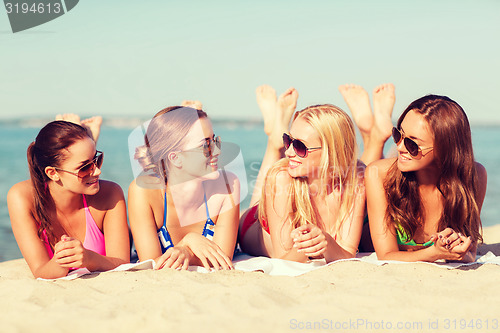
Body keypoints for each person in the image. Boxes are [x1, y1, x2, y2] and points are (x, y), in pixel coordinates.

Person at [238, 84, 394, 263]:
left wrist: (326, 242)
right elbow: (284, 259)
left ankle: (276, 137)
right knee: (275, 176)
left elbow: (348, 252)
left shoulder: (357, 176)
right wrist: (316, 246)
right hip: (254, 224)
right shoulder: (282, 178)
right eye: (288, 141)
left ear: (330, 151)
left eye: (299, 146)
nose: (289, 152)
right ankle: (274, 143)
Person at [365, 95, 488, 262]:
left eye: (412, 144)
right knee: (357, 173)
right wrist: (434, 253)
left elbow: (470, 253)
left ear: (445, 148)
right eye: (398, 135)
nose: (399, 146)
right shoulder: (379, 174)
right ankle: (372, 136)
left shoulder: (474, 176)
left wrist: (455, 248)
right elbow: (386, 255)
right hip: (364, 238)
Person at [7, 121, 130, 279]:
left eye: (97, 160)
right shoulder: (22, 198)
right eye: (85, 167)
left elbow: (122, 262)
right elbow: (40, 271)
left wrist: (88, 258)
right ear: (53, 173)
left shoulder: (110, 194)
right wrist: (63, 260)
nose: (98, 170)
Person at [128, 105, 240, 271]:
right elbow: (152, 264)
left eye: (215, 140)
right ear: (176, 158)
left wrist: (187, 251)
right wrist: (189, 242)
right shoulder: (144, 192)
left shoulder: (228, 185)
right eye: (205, 145)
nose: (216, 150)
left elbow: (222, 258)